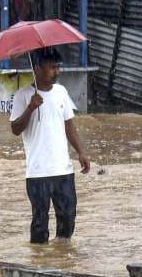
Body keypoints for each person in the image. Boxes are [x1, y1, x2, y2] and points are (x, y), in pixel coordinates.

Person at [9, 50, 91, 243]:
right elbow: (15, 129)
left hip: (63, 169)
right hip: (38, 173)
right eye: (52, 67)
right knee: (40, 223)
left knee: (68, 219)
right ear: (37, 68)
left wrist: (81, 152)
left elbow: (69, 125)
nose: (57, 71)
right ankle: (39, 262)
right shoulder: (23, 96)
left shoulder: (61, 92)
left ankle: (60, 256)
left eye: (58, 67)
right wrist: (30, 108)